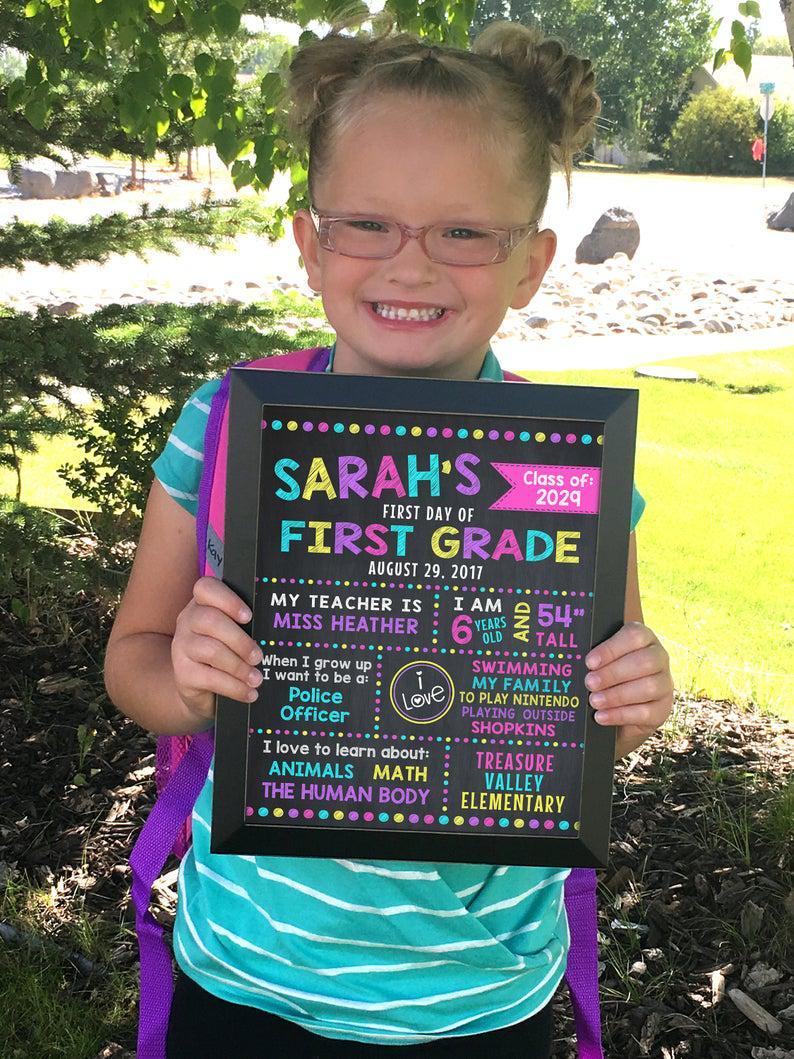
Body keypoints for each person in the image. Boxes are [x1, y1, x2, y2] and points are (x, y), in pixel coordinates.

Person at [104, 16, 674, 1058]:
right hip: (248, 974)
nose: (409, 266)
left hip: (482, 996)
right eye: (366, 224)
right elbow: (132, 659)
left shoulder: (571, 467)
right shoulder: (221, 426)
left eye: (462, 232)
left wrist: (633, 695)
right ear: (310, 243)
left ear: (531, 263)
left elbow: (594, 722)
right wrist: (185, 682)